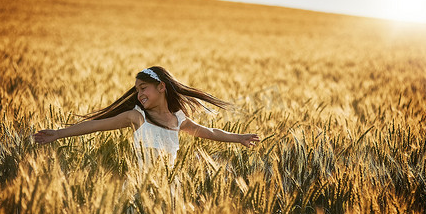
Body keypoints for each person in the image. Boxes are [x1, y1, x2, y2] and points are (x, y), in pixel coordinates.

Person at [34, 66, 260, 168]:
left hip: (170, 189)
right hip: (140, 188)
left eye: (144, 88)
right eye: (137, 90)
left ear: (161, 87)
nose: (140, 94)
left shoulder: (177, 119)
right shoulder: (136, 117)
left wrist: (238, 137)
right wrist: (59, 134)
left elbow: (209, 132)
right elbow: (97, 125)